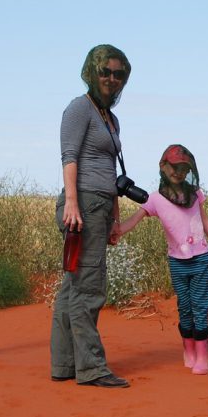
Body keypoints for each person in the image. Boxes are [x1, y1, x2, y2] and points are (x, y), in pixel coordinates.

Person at [50, 44, 132, 388]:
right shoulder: (79, 109)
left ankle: (65, 365)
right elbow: (69, 155)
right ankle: (92, 368)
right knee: (89, 287)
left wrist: (115, 217)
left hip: (99, 205)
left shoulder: (110, 118)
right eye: (105, 72)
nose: (111, 79)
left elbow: (110, 170)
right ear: (91, 72)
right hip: (82, 204)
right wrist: (72, 203)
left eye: (118, 74)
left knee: (72, 287)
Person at [118, 144, 208, 375]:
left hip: (200, 258)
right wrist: (115, 231)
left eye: (184, 169)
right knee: (184, 307)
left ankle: (203, 355)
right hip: (177, 261)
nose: (179, 172)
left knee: (200, 306)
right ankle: (188, 350)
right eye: (175, 167)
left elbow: (204, 220)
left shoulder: (195, 194)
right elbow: (134, 220)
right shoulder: (155, 199)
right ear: (162, 166)